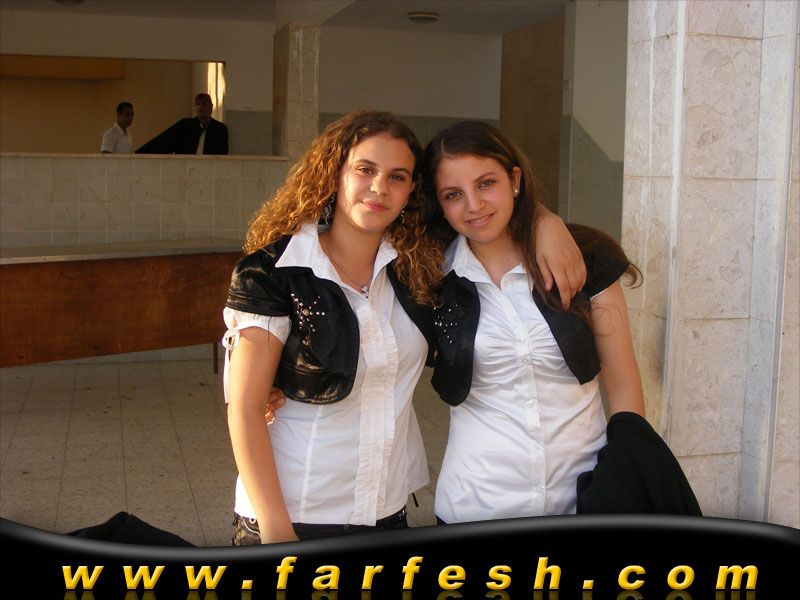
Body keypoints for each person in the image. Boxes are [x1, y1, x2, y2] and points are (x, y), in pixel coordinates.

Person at [222, 110, 585, 544]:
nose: (379, 188)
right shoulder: (275, 271)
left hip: (387, 512)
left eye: (397, 176)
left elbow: (485, 209)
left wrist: (545, 220)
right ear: (333, 173)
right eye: (365, 170)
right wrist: (278, 534)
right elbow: (245, 409)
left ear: (412, 189)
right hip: (297, 515)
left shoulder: (416, 267)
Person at [421, 121, 649, 524]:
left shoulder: (584, 258)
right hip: (476, 506)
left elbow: (623, 385)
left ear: (514, 180)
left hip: (582, 501)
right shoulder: (430, 277)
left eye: (486, 183)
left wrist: (625, 477)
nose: (474, 205)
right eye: (453, 194)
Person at [136, 93, 228, 155]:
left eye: (204, 103)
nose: (200, 107)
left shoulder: (219, 129)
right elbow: (164, 140)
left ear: (211, 106)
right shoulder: (185, 125)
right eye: (197, 104)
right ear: (195, 108)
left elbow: (222, 153)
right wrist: (140, 154)